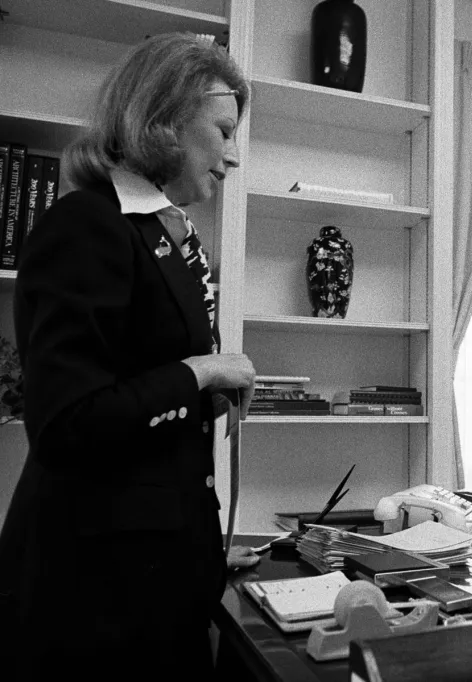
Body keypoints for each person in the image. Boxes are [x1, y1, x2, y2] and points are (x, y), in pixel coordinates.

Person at [0, 33, 260, 679]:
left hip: (152, 579)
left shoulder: (159, 233)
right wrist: (201, 372)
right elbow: (67, 425)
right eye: (224, 132)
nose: (233, 156)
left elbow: (141, 414)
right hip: (90, 606)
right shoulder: (85, 225)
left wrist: (197, 548)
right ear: (165, 118)